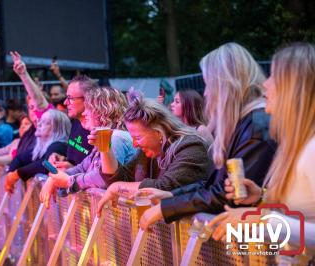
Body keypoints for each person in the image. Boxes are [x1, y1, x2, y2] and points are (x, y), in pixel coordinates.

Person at [131, 43, 277, 230]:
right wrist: (171, 196)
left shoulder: (257, 125)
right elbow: (215, 184)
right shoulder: (246, 122)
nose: (206, 93)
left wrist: (167, 207)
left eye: (208, 84)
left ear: (226, 84)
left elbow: (232, 193)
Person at [208, 43, 315, 253]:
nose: (265, 84)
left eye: (274, 76)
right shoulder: (295, 146)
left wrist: (262, 220)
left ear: (294, 88)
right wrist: (261, 197)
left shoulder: (312, 149)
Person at [95, 89, 211, 214]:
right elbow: (119, 178)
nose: (134, 144)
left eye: (138, 138)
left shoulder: (191, 147)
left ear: (158, 132)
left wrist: (117, 188)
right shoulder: (147, 153)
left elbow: (162, 188)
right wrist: (105, 149)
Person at [39, 86, 136, 207]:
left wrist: (70, 181)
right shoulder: (107, 137)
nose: (84, 113)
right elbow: (81, 167)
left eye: (88, 108)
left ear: (103, 110)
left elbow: (104, 177)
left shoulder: (116, 137)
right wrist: (53, 179)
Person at [5, 109, 71, 193]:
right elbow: (20, 158)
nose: (38, 124)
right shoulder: (41, 147)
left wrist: (16, 174)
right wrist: (10, 174)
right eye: (39, 121)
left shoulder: (58, 145)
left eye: (44, 122)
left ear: (56, 128)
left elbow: (44, 165)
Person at [49, 75, 96, 169]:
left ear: (87, 99)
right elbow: (76, 160)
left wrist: (72, 169)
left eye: (70, 98)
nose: (65, 102)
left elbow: (100, 175)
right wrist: (63, 159)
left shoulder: (99, 130)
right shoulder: (76, 121)